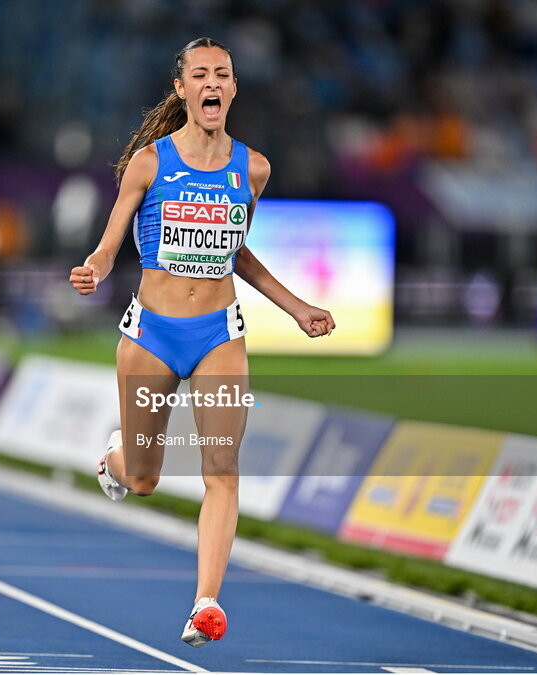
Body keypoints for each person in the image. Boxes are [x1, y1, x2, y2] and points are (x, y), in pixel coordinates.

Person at [69, 38, 334, 648]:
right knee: (143, 480)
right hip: (152, 337)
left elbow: (234, 250)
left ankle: (206, 604)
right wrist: (95, 267)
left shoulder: (254, 168)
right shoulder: (150, 163)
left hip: (220, 335)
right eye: (200, 74)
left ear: (233, 89)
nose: (212, 83)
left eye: (223, 73)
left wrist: (296, 308)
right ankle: (115, 460)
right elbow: (112, 245)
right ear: (183, 90)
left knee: (222, 470)